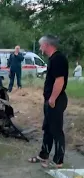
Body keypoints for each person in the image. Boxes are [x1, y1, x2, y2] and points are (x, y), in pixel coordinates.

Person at [28, 35, 68, 169]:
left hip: (56, 100)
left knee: (56, 130)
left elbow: (59, 80)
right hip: (50, 100)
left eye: (41, 45)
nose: (40, 47)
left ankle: (58, 161)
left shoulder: (58, 59)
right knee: (47, 128)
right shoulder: (52, 59)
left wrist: (52, 98)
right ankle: (43, 154)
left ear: (47, 45)